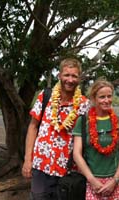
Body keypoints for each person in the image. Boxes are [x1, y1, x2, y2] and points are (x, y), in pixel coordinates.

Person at [21, 58, 90, 199]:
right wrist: (28, 159)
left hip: (69, 170)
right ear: (59, 76)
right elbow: (33, 127)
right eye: (67, 75)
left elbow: (89, 137)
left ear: (79, 78)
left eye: (74, 76)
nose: (70, 80)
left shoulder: (84, 104)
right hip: (41, 165)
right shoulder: (45, 96)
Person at [72, 79, 119, 200]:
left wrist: (115, 180)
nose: (107, 100)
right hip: (91, 180)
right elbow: (76, 154)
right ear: (93, 98)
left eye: (109, 96)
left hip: (115, 181)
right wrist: (92, 180)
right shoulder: (82, 122)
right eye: (102, 97)